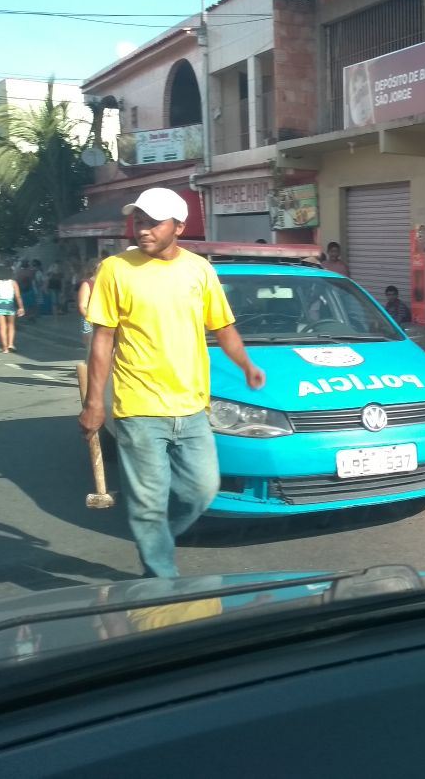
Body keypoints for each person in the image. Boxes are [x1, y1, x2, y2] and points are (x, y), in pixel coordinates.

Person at [78, 187, 266, 579]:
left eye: (152, 223)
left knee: (202, 490)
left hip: (193, 406)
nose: (142, 230)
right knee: (148, 503)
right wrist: (95, 403)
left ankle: (158, 537)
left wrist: (246, 364)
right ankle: (160, 580)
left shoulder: (199, 270)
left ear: (179, 226)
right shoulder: (115, 269)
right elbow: (102, 339)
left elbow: (223, 325)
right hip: (138, 407)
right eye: (138, 222)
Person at [0, 266, 25, 353]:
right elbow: (18, 296)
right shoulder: (13, 283)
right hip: (10, 305)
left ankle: (4, 348)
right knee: (11, 325)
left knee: (2, 326)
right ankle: (11, 344)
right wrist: (21, 307)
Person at [76, 258, 100, 353]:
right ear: (94, 269)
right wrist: (91, 320)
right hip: (90, 321)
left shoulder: (106, 282)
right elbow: (82, 306)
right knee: (91, 350)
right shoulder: (87, 284)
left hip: (105, 320)